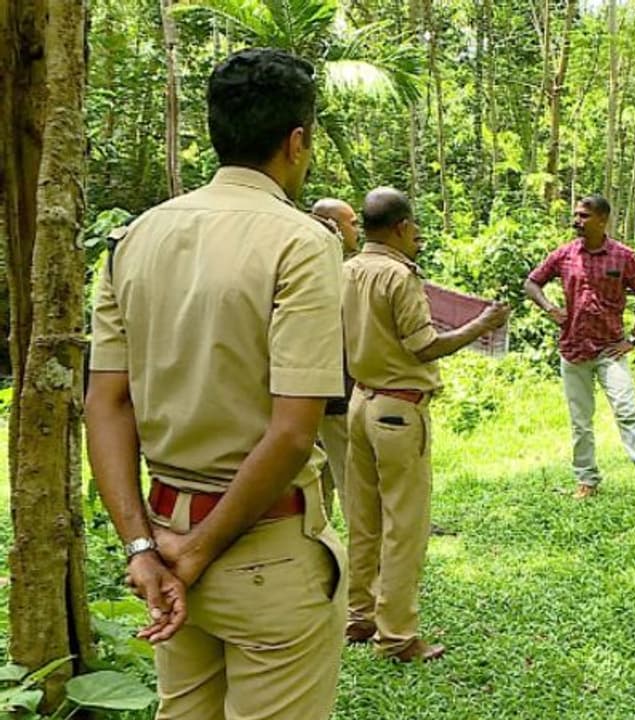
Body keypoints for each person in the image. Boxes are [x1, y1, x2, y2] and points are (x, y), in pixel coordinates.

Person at [85, 48, 347, 720]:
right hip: (262, 550)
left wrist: (145, 549)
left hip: (165, 540)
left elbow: (106, 404)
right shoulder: (301, 243)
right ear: (297, 143)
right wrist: (198, 552)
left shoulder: (135, 239)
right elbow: (292, 431)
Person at [342, 186, 509, 661]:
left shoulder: (346, 270)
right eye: (414, 227)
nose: (417, 236)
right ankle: (396, 636)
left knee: (364, 517)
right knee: (404, 526)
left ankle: (359, 615)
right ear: (400, 227)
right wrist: (483, 323)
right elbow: (424, 345)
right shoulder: (399, 276)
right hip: (398, 408)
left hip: (360, 401)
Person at [524, 195, 635, 500]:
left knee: (626, 409)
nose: (576, 221)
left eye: (584, 216)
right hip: (573, 349)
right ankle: (587, 480)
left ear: (603, 220)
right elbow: (532, 282)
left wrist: (633, 338)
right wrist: (550, 308)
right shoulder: (565, 255)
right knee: (580, 421)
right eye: (576, 216)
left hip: (610, 350)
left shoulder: (622, 256)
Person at [310, 198, 360, 520]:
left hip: (316, 396)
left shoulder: (332, 269)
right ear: (333, 227)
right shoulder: (323, 273)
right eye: (351, 223)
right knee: (349, 484)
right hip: (334, 397)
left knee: (322, 483)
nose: (357, 230)